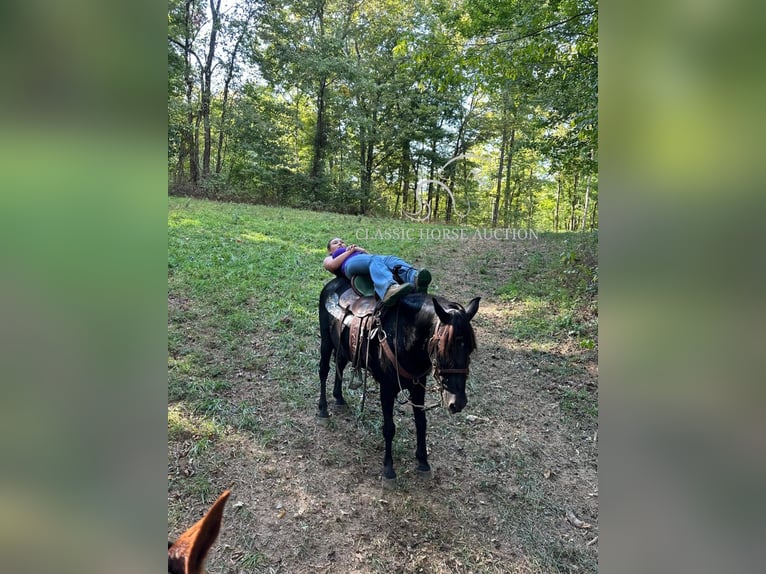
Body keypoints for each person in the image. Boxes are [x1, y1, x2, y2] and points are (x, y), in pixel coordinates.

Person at [324, 237, 431, 306]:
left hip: (365, 260)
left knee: (390, 259)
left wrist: (362, 251)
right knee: (374, 259)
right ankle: (387, 289)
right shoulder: (330, 257)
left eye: (342, 242)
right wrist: (350, 252)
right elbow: (332, 266)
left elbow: (371, 260)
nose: (340, 243)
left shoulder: (353, 250)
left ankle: (414, 277)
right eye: (335, 243)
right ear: (329, 250)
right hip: (349, 265)